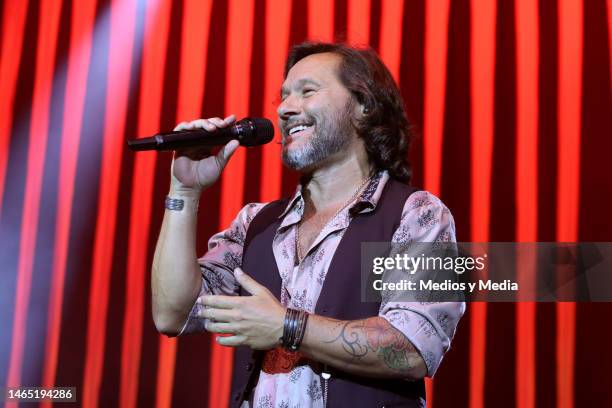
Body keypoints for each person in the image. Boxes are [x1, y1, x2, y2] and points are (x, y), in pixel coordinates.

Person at [152, 42, 464, 408]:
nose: (285, 109)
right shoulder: (257, 223)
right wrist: (185, 193)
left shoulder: (416, 214)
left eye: (307, 91)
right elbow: (173, 313)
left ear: (363, 107)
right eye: (282, 97)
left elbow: (413, 347)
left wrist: (288, 326)